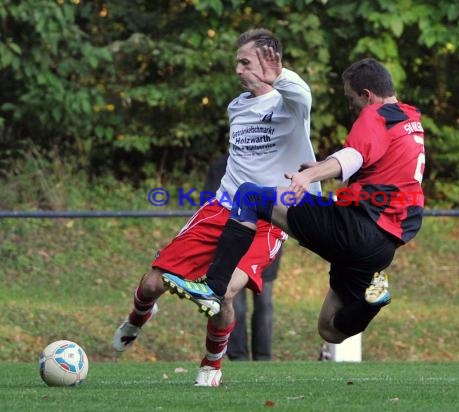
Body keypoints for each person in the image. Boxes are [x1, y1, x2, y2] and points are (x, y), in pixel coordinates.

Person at [163, 58, 425, 345]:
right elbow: (374, 165)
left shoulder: (375, 115)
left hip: (354, 229)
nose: (351, 106)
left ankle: (213, 286)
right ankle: (371, 303)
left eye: (352, 99)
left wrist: (310, 174)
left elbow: (353, 157)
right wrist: (324, 164)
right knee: (330, 330)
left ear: (367, 95)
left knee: (249, 195)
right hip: (382, 249)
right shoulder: (410, 120)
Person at [113, 28, 320, 386]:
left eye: (245, 62)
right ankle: (136, 319)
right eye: (236, 63)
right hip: (221, 210)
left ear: (271, 61)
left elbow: (301, 92)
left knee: (224, 293)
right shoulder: (236, 106)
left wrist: (279, 76)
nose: (238, 70)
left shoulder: (291, 102)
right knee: (151, 284)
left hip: (269, 218)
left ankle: (211, 365)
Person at [204, 153, 281, 361]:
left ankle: (263, 357)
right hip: (234, 243)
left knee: (263, 303)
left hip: (264, 242)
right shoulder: (222, 166)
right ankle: (238, 356)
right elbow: (212, 202)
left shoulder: (273, 162)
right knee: (233, 300)